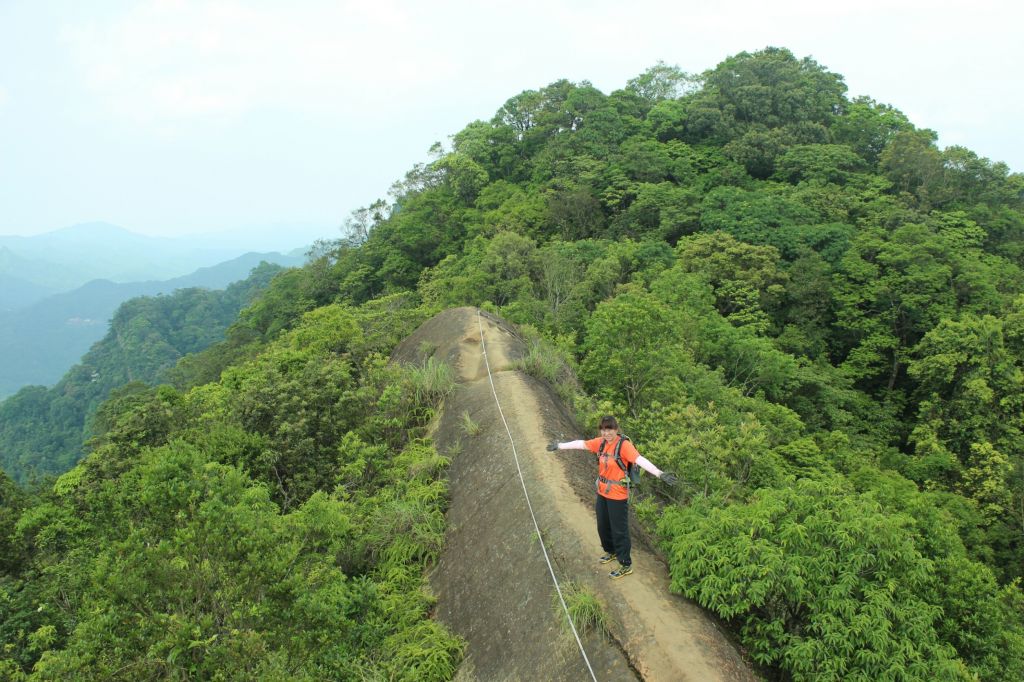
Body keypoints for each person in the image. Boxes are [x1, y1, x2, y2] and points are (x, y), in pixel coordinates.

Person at [547, 415, 677, 579]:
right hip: (602, 492)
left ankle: (625, 564)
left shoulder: (624, 446)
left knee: (619, 530)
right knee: (603, 525)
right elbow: (581, 444)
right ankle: (611, 551)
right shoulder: (600, 443)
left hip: (618, 495)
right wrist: (559, 446)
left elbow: (639, 459)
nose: (606, 433)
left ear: (616, 430)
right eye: (603, 429)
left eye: (610, 429)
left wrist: (660, 473)